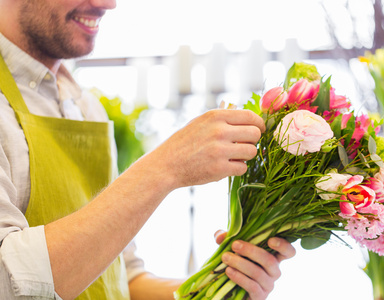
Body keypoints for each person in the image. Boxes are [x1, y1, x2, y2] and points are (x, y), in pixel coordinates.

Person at [0, 0, 296, 299]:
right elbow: (5, 280)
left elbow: (122, 278)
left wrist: (220, 282)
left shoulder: (86, 108)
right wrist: (165, 166)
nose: (108, 4)